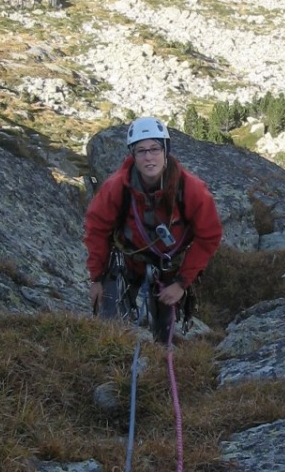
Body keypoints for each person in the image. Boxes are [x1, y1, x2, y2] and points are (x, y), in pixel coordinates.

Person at [84, 116, 222, 340]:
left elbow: (209, 236)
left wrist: (181, 283)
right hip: (128, 261)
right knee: (108, 321)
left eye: (155, 149)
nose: (149, 157)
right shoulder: (116, 187)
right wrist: (97, 279)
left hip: (169, 267)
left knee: (164, 331)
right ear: (133, 154)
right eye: (141, 151)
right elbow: (96, 230)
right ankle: (111, 352)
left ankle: (160, 351)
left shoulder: (191, 189)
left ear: (165, 150)